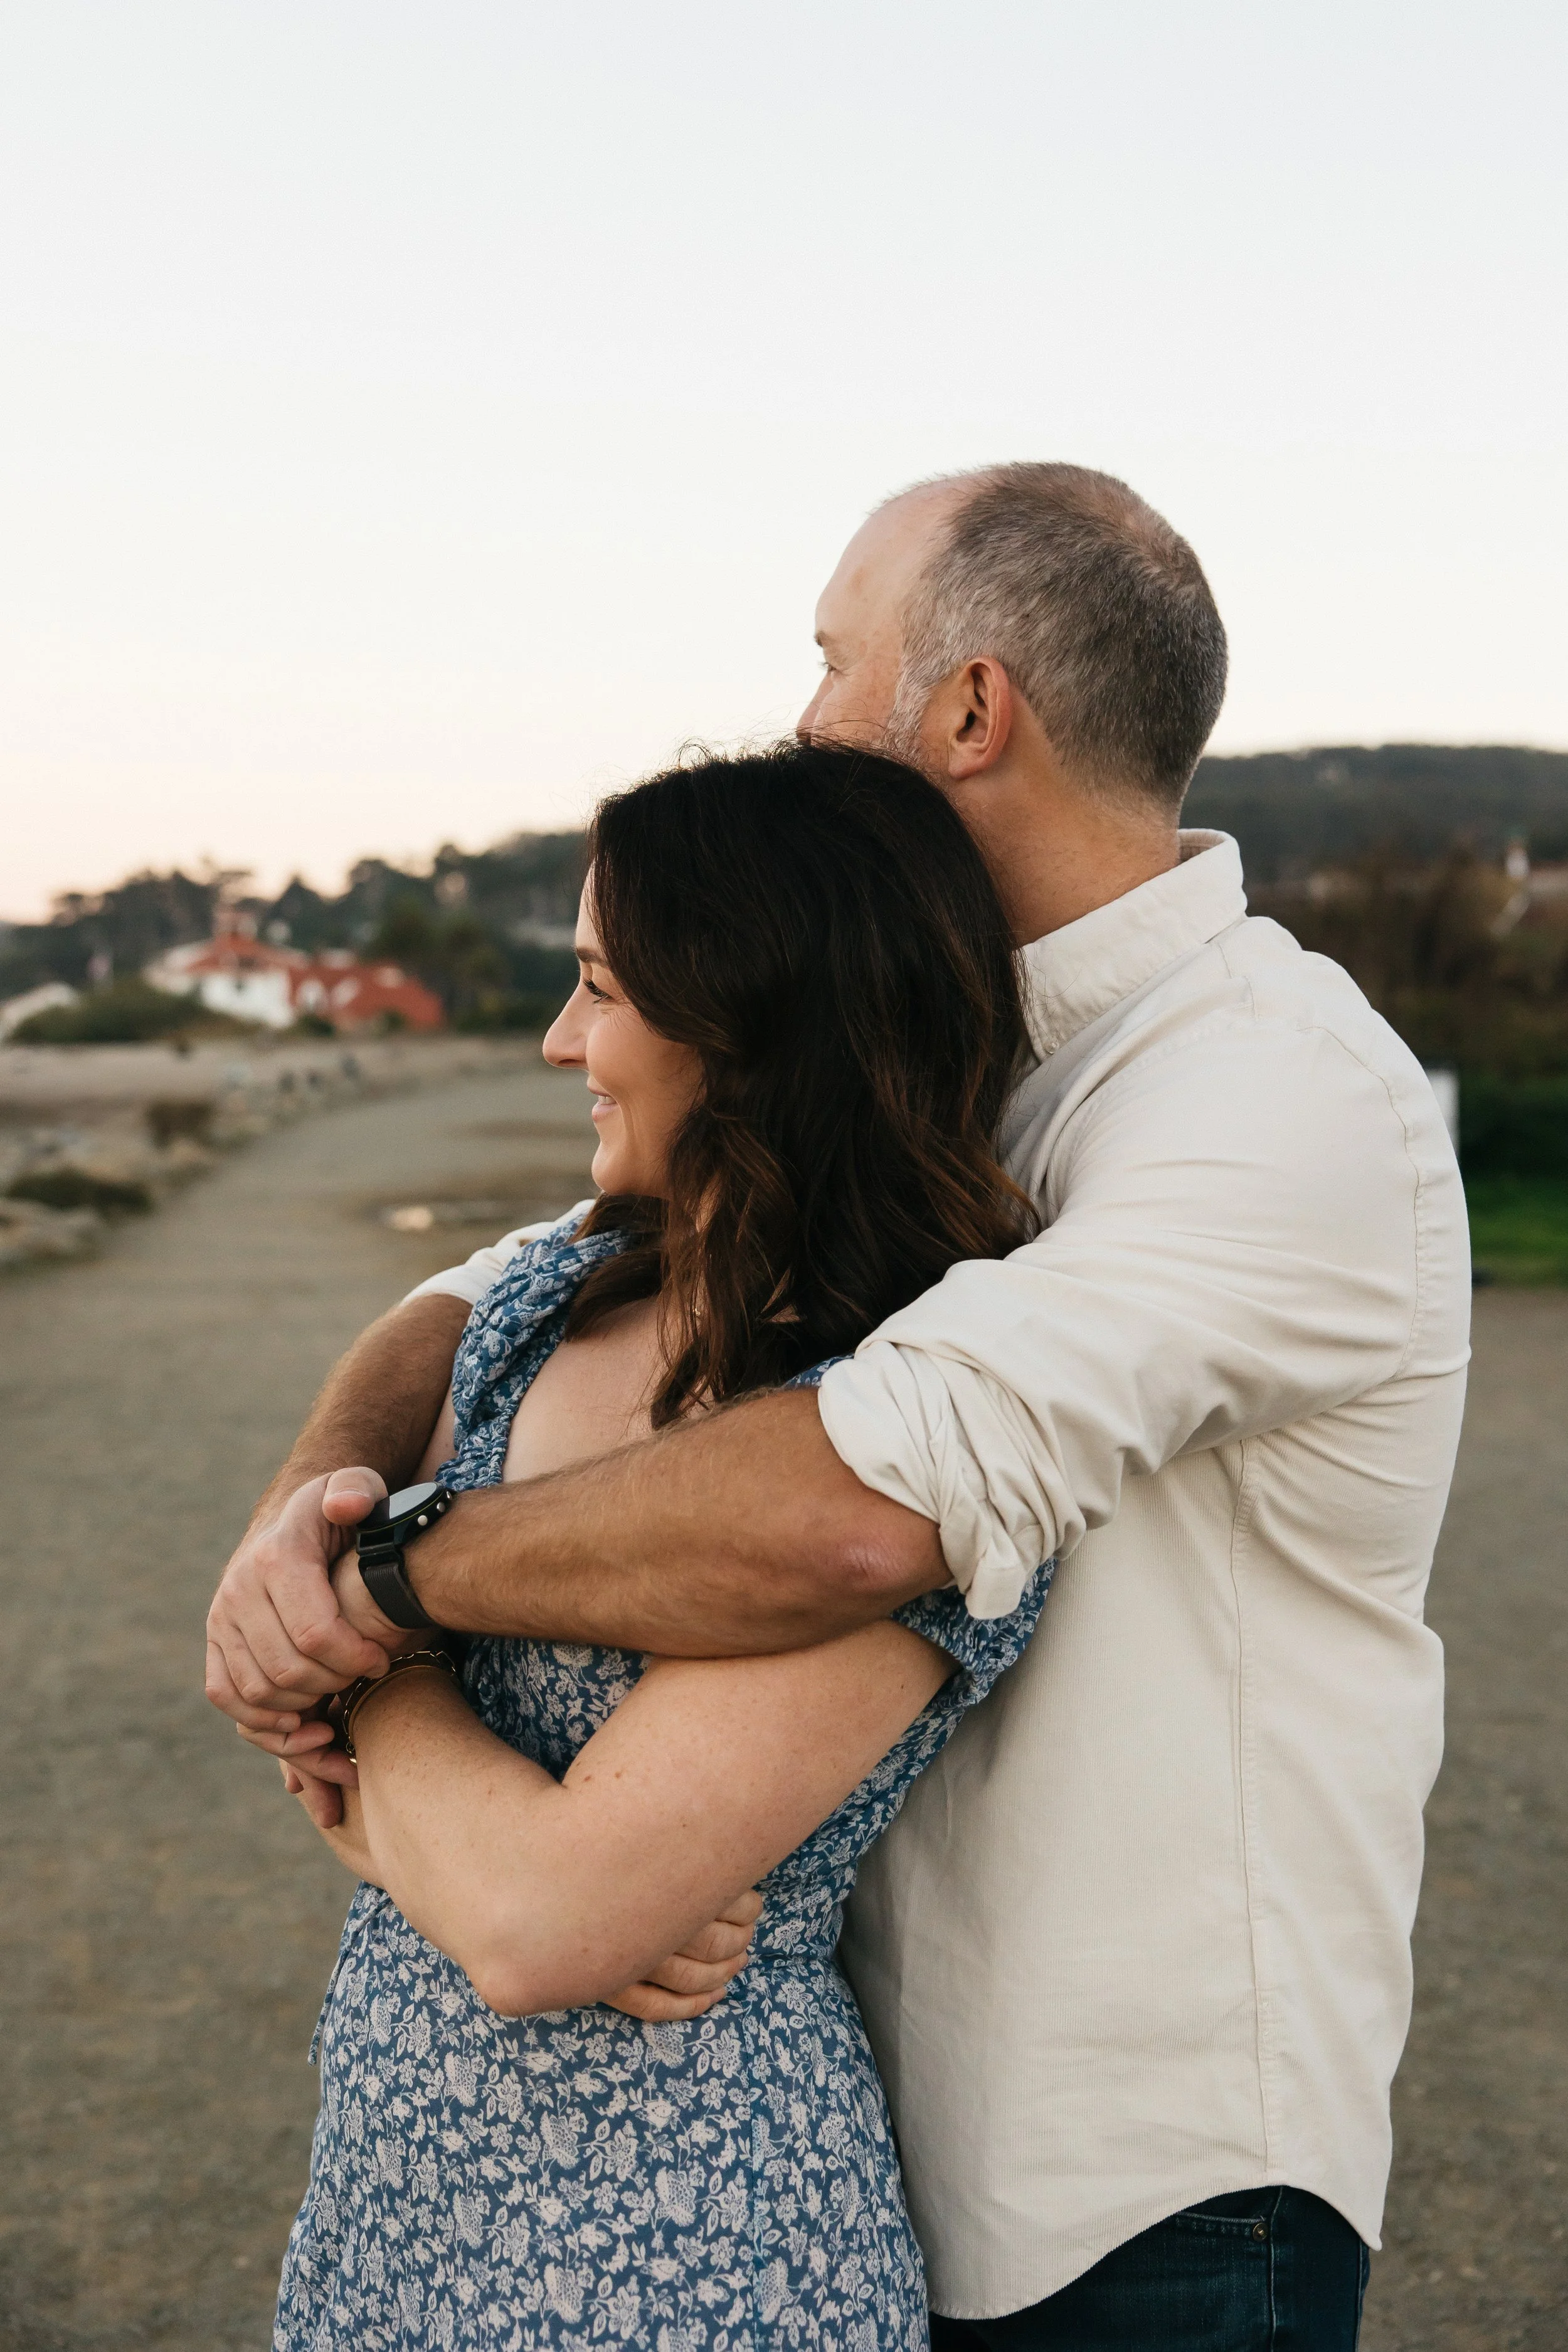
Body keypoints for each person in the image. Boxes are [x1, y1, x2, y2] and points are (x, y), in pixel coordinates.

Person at [211, 463, 1470, 2351]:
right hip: (836, 2089)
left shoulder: (1266, 1097)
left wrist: (372, 1597)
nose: (800, 713)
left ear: (967, 709)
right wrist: (301, 1508)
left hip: (1130, 2181)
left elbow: (861, 1504)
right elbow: (501, 1277)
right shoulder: (923, 1045)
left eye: (828, 660)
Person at [272, 742, 1051, 2349]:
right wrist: (426, 1793)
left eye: (600, 991)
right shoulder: (535, 1313)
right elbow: (305, 1737)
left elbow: (536, 1927)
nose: (562, 1042)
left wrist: (377, 1658)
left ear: (750, 1027)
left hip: (685, 2244)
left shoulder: (898, 1442)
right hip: (394, 2194)